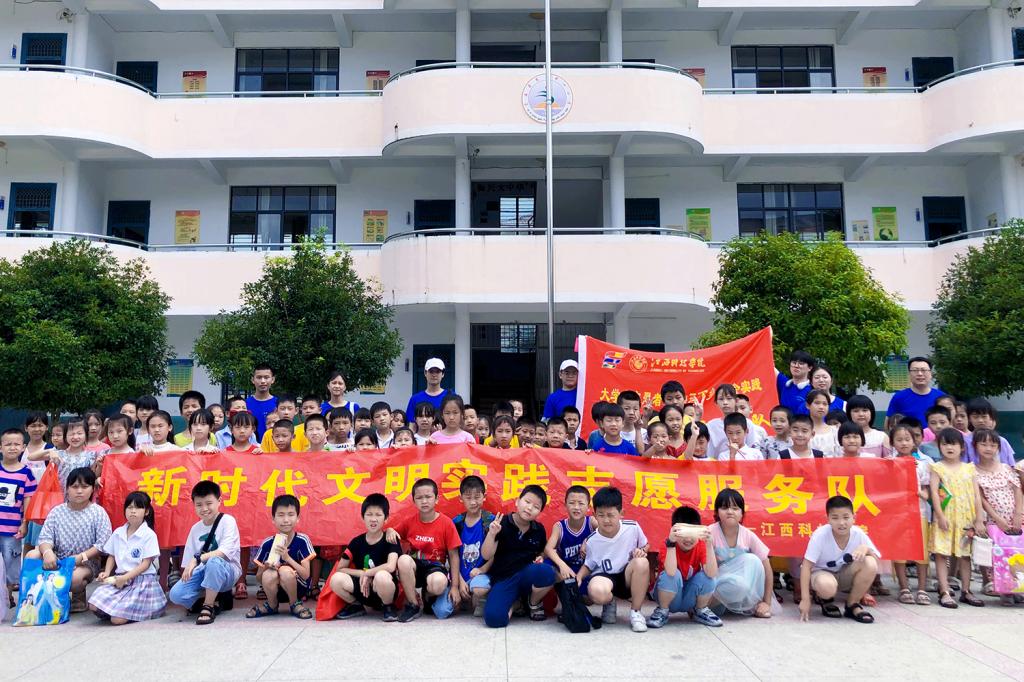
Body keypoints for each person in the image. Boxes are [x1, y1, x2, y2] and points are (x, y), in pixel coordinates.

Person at [27, 467, 112, 613]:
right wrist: (47, 553)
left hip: (86, 562)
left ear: (92, 489)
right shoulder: (57, 511)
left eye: (84, 486)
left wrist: (80, 558)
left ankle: (78, 595)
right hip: (57, 558)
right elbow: (45, 537)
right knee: (32, 556)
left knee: (74, 578)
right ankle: (37, 598)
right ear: (67, 488)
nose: (79, 491)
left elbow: (102, 544)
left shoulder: (98, 513)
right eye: (75, 486)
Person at [576, 486, 650, 632]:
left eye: (611, 515)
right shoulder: (591, 540)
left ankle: (636, 612)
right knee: (596, 590)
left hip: (627, 577)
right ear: (594, 515)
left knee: (642, 563)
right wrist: (578, 577)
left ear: (621, 513)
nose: (606, 520)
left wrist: (641, 551)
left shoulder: (633, 527)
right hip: (606, 577)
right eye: (601, 515)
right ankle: (610, 602)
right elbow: (589, 565)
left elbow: (646, 545)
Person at [168, 480, 242, 625]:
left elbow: (224, 552)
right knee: (176, 595)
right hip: (203, 571)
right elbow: (188, 564)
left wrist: (198, 559)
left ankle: (208, 606)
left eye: (209, 503)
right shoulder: (195, 528)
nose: (204, 509)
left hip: (227, 570)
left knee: (214, 562)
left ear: (219, 501)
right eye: (199, 505)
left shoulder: (228, 521)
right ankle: (218, 598)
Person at [481, 486, 556, 627]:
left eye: (536, 507)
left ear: (540, 512)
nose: (529, 508)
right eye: (527, 502)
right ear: (517, 501)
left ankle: (533, 602)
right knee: (494, 619)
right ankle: (516, 604)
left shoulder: (538, 529)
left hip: (527, 575)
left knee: (548, 572)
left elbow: (542, 551)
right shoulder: (501, 523)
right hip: (504, 579)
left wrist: (541, 557)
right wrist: (491, 534)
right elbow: (486, 554)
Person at [387, 478, 461, 622]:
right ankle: (413, 604)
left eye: (428, 497)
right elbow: (393, 533)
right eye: (419, 498)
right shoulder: (409, 521)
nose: (424, 501)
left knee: (438, 584)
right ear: (414, 501)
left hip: (435, 567)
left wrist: (455, 586)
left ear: (436, 499)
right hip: (415, 567)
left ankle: (427, 596)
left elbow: (454, 556)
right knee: (403, 560)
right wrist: (390, 530)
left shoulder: (446, 523)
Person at [88, 491, 166, 624]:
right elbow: (112, 555)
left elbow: (145, 564)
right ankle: (119, 610)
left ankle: (124, 612)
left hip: (142, 582)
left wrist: (126, 577)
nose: (133, 511)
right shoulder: (118, 532)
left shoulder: (149, 535)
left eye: (138, 508)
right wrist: (106, 572)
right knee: (93, 605)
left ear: (146, 512)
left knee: (116, 620)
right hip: (119, 580)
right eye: (130, 507)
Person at [799, 495, 879, 623]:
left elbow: (875, 563)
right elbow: (806, 566)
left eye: (846, 517)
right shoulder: (820, 535)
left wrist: (867, 550)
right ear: (828, 519)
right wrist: (805, 599)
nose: (841, 523)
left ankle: (852, 604)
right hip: (821, 575)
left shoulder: (858, 534)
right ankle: (825, 599)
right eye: (835, 518)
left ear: (854, 517)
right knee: (826, 586)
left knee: (870, 563)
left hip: (845, 575)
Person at [929, 428, 985, 608]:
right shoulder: (937, 468)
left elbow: (976, 495)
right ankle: (944, 591)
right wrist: (939, 515)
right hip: (945, 517)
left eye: (953, 444)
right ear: (939, 447)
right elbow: (934, 493)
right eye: (945, 444)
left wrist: (979, 518)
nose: (949, 447)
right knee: (941, 553)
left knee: (965, 555)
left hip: (966, 518)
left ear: (962, 447)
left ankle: (966, 591)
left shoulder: (969, 468)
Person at [646, 505, 722, 629]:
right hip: (669, 596)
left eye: (692, 534)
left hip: (689, 598)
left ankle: (700, 610)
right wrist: (671, 544)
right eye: (684, 533)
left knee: (708, 577)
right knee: (671, 575)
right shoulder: (667, 544)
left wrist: (709, 545)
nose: (688, 539)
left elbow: (712, 573)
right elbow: (671, 572)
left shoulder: (701, 545)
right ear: (675, 531)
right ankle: (663, 610)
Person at [330, 493, 401, 621]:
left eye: (378, 515)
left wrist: (368, 573)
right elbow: (340, 568)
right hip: (363, 588)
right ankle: (356, 605)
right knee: (336, 579)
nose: (373, 519)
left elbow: (390, 566)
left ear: (386, 518)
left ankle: (388, 607)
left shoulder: (390, 539)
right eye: (369, 514)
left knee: (381, 576)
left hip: (384, 588)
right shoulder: (356, 542)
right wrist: (362, 574)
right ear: (363, 517)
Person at [972, 428, 1022, 604]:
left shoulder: (1007, 468)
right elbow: (982, 499)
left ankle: (1019, 588)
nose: (988, 448)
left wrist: (1018, 513)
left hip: (1016, 519)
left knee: (1017, 553)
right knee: (999, 554)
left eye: (992, 445)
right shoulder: (973, 471)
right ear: (975, 446)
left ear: (998, 448)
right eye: (983, 444)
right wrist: (997, 519)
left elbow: (1017, 490)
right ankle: (1005, 590)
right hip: (994, 520)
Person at [707, 489, 773, 618]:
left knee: (753, 561)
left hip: (742, 591)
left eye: (735, 508)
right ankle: (704, 606)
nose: (730, 512)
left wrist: (767, 602)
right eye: (724, 508)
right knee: (738, 585)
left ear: (742, 513)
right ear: (716, 512)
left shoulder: (748, 535)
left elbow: (767, 568)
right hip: (716, 589)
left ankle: (753, 605)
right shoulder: (709, 533)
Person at [247, 494, 315, 619]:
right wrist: (265, 567)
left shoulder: (302, 540)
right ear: (273, 519)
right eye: (281, 515)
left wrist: (287, 558)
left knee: (285, 570)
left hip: (298, 587)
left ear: (298, 518)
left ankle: (295, 604)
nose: (286, 520)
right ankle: (272, 605)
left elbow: (306, 575)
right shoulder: (267, 543)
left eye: (291, 514)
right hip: (274, 590)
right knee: (269, 573)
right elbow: (259, 578)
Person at [890, 423, 932, 605]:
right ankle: (904, 587)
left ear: (915, 441)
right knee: (899, 551)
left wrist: (923, 494)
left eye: (907, 439)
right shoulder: (889, 463)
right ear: (892, 443)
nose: (904, 443)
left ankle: (921, 588)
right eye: (899, 440)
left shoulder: (922, 465)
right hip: (897, 514)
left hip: (919, 512)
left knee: (921, 551)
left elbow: (928, 490)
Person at [1, 428, 37, 598]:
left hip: (12, 529)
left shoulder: (26, 473)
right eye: (8, 444)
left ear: (23, 447)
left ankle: (7, 597)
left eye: (16, 444)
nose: (12, 447)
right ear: (1, 447)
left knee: (10, 563)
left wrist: (25, 523)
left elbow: (28, 500)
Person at [452, 475, 494, 616]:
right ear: (461, 498)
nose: (473, 502)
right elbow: (451, 555)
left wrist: (482, 569)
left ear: (484, 497)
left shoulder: (490, 521)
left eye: (477, 497)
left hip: (481, 575)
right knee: (442, 611)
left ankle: (482, 597)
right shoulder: (456, 522)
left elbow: (497, 553)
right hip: (459, 575)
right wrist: (458, 581)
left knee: (479, 589)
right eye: (468, 497)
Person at [544, 485, 596, 582]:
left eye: (581, 503)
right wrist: (562, 565)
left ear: (588, 507)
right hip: (565, 568)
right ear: (565, 505)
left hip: (586, 569)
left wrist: (587, 539)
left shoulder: (591, 522)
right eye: (572, 503)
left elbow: (605, 532)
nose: (576, 507)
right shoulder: (559, 526)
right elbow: (548, 549)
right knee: (545, 567)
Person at [33, 417, 97, 491]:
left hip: (80, 494)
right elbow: (31, 457)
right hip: (60, 495)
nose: (75, 437)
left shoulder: (90, 456)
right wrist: (49, 451)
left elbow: (93, 477)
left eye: (79, 433)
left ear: (86, 435)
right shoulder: (59, 454)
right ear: (65, 436)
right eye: (71, 434)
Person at [885, 357, 945, 430]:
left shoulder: (941, 397)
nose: (920, 374)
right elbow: (888, 423)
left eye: (923, 370)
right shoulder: (899, 397)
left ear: (930, 374)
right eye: (915, 370)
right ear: (909, 374)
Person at [707, 384, 764, 458]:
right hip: (720, 462)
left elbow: (752, 447)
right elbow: (709, 453)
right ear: (716, 402)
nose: (725, 402)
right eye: (721, 399)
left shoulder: (747, 423)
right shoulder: (711, 426)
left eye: (729, 398)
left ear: (736, 400)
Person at [963, 398, 1016, 466]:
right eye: (975, 417)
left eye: (984, 416)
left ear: (990, 417)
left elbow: (1011, 465)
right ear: (969, 418)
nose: (980, 420)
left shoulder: (1001, 441)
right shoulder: (965, 442)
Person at [776, 349, 815, 415]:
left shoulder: (812, 391)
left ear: (810, 368)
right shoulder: (784, 384)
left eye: (801, 363)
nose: (796, 366)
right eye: (794, 363)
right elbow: (768, 365)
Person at [246, 364, 278, 439]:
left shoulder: (279, 404)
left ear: (272, 379)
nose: (263, 381)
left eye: (266, 377)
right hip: (250, 445)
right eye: (259, 377)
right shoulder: (245, 404)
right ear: (253, 380)